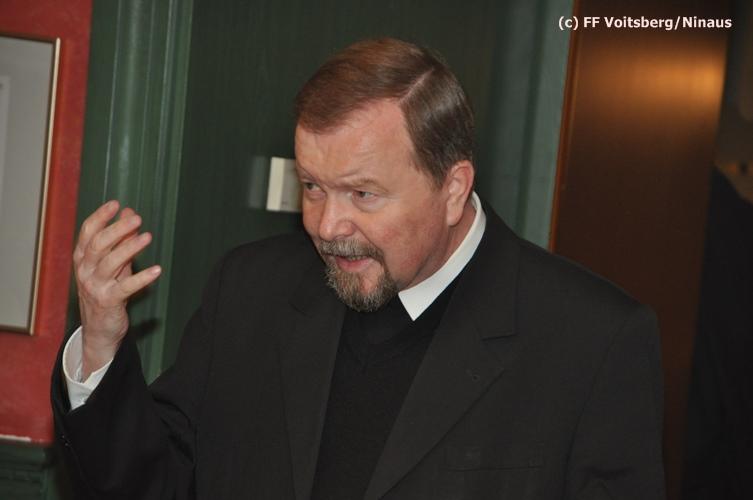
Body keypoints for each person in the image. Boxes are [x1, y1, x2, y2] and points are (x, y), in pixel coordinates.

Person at [52, 38, 665, 499]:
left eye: (363, 194)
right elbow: (151, 483)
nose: (327, 226)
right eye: (313, 187)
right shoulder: (250, 290)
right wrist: (101, 345)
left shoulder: (593, 341)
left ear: (453, 189)